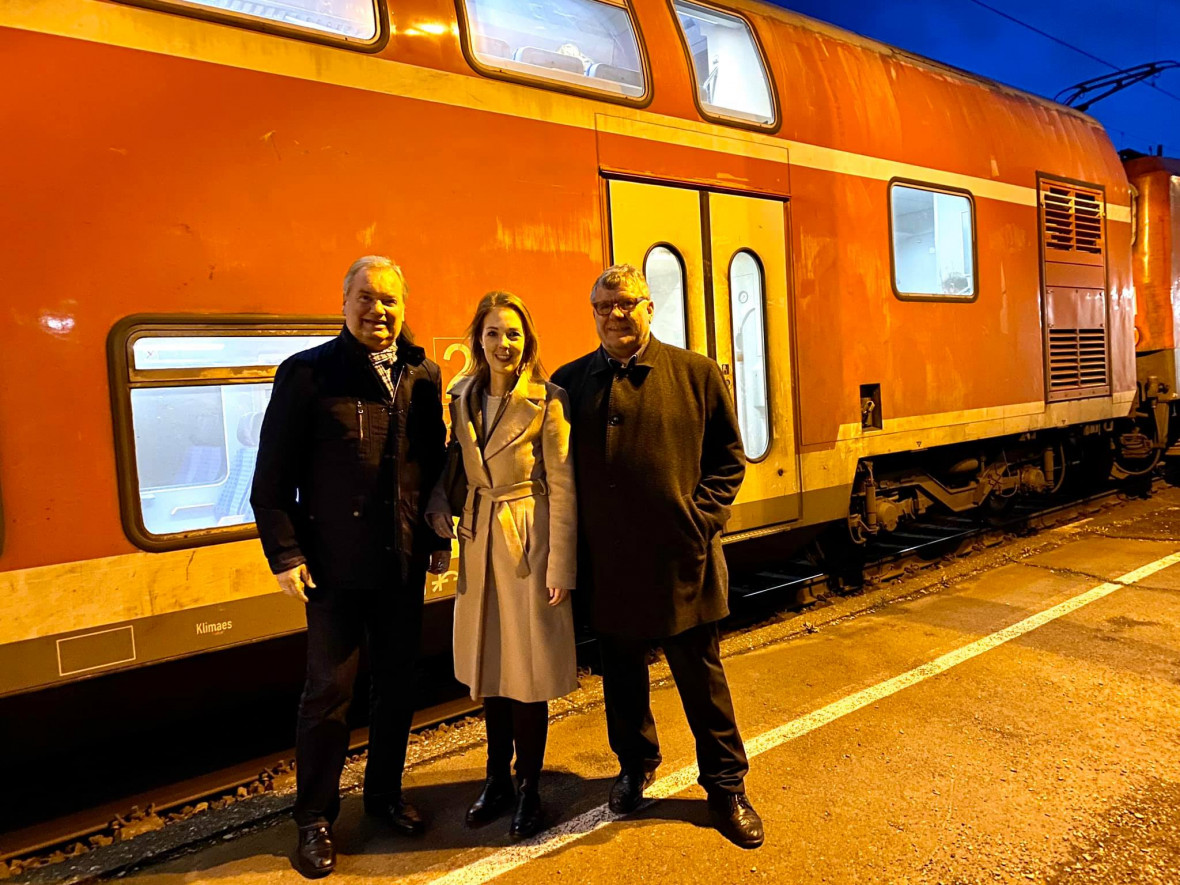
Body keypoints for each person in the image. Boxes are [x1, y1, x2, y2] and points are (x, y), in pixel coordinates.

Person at [551, 264, 764, 849]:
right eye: (604, 306)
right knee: (621, 680)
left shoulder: (695, 373)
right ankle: (635, 765)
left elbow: (729, 459)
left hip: (682, 560)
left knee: (702, 679)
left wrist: (699, 521)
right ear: (592, 312)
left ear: (649, 307)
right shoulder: (570, 383)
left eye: (627, 304)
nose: (615, 315)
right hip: (610, 565)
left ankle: (726, 787)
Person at [251, 255, 450, 878]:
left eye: (390, 299)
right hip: (333, 568)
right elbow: (271, 479)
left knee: (396, 689)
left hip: (401, 562)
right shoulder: (307, 375)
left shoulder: (423, 373)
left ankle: (385, 797)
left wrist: (436, 538)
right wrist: (286, 552)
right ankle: (314, 819)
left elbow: (430, 463)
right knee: (328, 696)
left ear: (403, 305)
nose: (378, 310)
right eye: (365, 297)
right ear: (344, 303)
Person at [426, 291, 577, 839]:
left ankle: (530, 786)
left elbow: (561, 486)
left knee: (527, 673)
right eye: (493, 333)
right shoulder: (462, 395)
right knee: (491, 668)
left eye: (513, 334)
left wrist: (560, 565)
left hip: (526, 540)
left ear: (527, 341)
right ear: (478, 339)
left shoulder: (549, 399)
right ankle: (496, 779)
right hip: (479, 536)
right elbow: (456, 462)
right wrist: (442, 502)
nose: (503, 343)